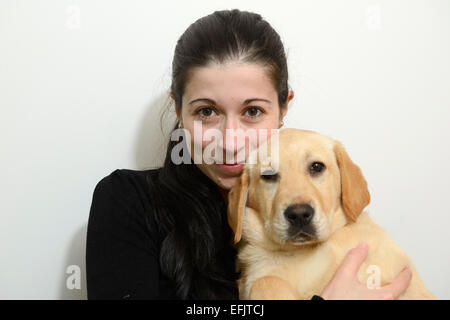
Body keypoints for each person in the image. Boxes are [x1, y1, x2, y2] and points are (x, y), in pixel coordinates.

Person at [85, 9, 412, 300]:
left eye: (253, 111)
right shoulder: (128, 202)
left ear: (283, 108)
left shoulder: (320, 209)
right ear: (178, 109)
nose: (230, 143)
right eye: (206, 112)